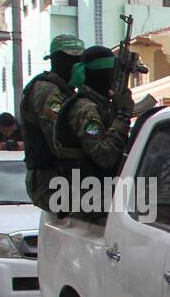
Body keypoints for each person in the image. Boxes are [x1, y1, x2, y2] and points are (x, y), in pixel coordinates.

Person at [50, 44, 133, 219]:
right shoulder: (85, 109)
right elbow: (105, 156)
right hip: (89, 200)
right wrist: (123, 115)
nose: (115, 79)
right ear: (102, 75)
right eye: (113, 73)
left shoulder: (100, 105)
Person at [21, 33, 85, 211]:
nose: (77, 65)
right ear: (56, 60)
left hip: (63, 178)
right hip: (50, 179)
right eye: (71, 59)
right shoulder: (47, 90)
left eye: (79, 59)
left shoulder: (65, 91)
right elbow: (60, 139)